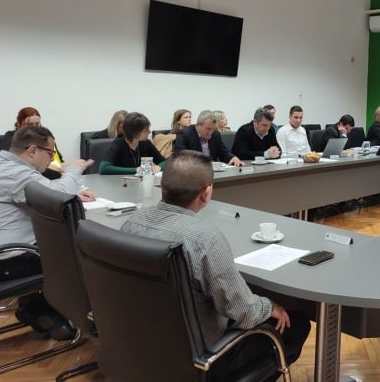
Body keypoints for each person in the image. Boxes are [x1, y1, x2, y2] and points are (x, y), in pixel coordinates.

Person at [120, 151, 310, 378]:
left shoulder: (130, 224)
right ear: (206, 192)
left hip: (140, 344)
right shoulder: (205, 240)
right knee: (297, 324)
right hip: (202, 359)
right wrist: (270, 307)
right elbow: (243, 312)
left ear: (162, 185)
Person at [0, 126, 96, 340]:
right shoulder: (16, 173)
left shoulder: (2, 165)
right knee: (85, 253)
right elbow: (57, 196)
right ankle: (85, 318)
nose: (51, 160)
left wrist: (74, 193)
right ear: (32, 150)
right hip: (8, 260)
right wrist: (73, 170)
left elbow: (43, 189)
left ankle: (37, 307)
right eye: (50, 153)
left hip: (5, 253)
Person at [0, 107, 65, 179]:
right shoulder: (11, 137)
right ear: (19, 124)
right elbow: (13, 161)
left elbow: (59, 160)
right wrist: (59, 172)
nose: (34, 128)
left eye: (37, 124)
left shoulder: (46, 138)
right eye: (30, 125)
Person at [99, 112, 166, 175]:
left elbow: (164, 161)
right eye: (146, 130)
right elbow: (103, 168)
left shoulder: (146, 143)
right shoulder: (118, 144)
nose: (149, 132)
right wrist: (136, 170)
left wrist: (159, 167)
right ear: (135, 133)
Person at [174, 110, 242, 166]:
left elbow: (223, 151)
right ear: (199, 125)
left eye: (213, 129)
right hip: (193, 170)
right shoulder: (185, 133)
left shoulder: (215, 134)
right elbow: (179, 154)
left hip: (212, 171)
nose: (211, 132)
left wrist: (232, 157)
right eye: (208, 129)